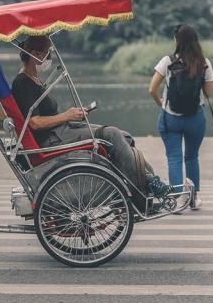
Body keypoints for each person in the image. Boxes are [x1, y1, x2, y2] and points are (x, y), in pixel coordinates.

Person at [11, 35, 163, 199]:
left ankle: (147, 183)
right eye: (48, 54)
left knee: (123, 136)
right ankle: (149, 184)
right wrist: (66, 115)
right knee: (111, 134)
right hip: (53, 138)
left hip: (62, 130)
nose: (49, 58)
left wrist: (71, 116)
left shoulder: (34, 79)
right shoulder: (23, 82)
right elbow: (34, 123)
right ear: (36, 55)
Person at [148, 24, 213, 210]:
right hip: (195, 118)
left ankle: (178, 200)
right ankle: (193, 199)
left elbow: (151, 89)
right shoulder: (204, 63)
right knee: (192, 157)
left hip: (170, 118)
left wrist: (160, 102)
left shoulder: (167, 61)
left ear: (177, 40)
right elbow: (208, 92)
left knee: (174, 158)